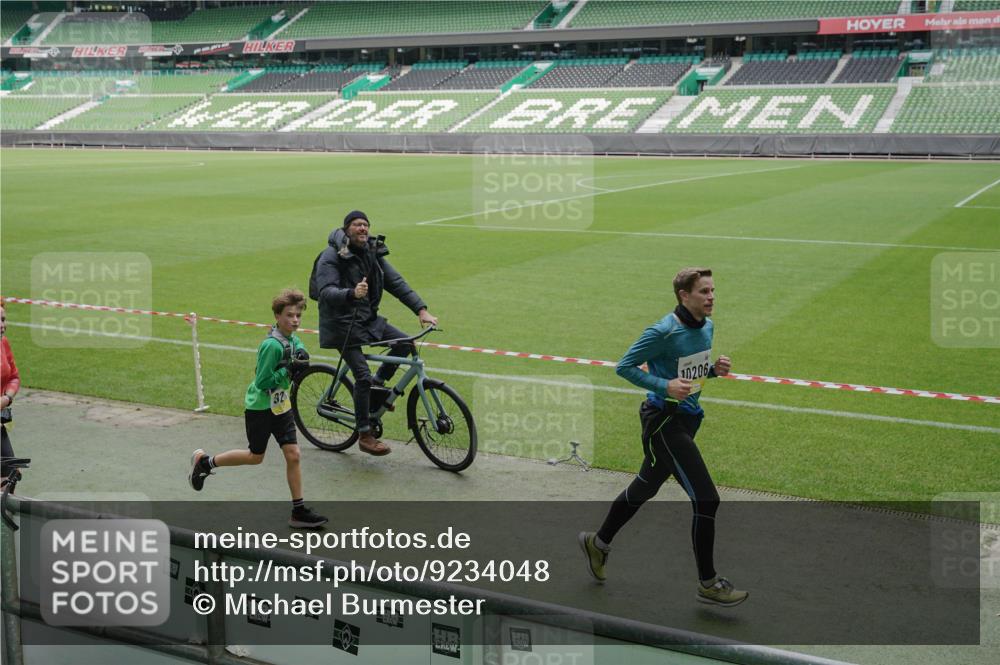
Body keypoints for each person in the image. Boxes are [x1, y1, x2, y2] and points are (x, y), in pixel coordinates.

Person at [578, 268, 749, 607]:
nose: (711, 297)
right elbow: (624, 366)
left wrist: (713, 371)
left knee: (646, 485)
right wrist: (663, 386)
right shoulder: (662, 331)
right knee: (707, 499)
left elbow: (687, 373)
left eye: (712, 290)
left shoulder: (707, 327)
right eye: (704, 291)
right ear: (684, 296)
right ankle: (708, 583)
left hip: (688, 420)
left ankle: (597, 543)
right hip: (663, 423)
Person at [188, 289, 327, 529]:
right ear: (277, 316)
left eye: (298, 315)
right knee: (255, 457)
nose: (295, 320)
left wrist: (302, 358)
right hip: (260, 408)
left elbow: (298, 353)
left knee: (293, 454)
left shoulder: (293, 339)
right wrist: (288, 370)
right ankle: (205, 463)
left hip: (281, 407)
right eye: (289, 315)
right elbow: (262, 381)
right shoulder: (271, 346)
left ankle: (298, 511)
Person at [312, 210, 437, 456]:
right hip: (340, 325)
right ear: (346, 229)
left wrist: (421, 310)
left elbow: (396, 282)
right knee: (362, 376)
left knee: (405, 344)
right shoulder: (331, 256)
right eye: (357, 224)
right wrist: (351, 294)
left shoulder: (372, 252)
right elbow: (325, 292)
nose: (363, 229)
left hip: (366, 320)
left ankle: (375, 390)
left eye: (366, 225)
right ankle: (365, 434)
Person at [1, 304, 21, 488]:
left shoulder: (3, 343)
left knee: (11, 473)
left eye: (3, 319)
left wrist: (6, 398)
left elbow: (14, 376)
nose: (2, 325)